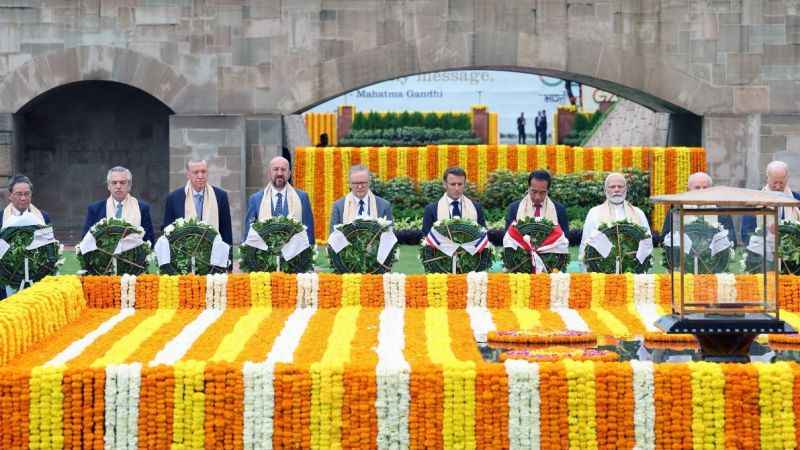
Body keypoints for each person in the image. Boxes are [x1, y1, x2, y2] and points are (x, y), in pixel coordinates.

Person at [244, 156, 315, 243]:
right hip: (265, 254)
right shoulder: (256, 199)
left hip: (294, 254)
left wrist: (308, 254)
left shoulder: (302, 197)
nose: (279, 173)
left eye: (283, 169)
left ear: (289, 173)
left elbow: (309, 232)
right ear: (269, 173)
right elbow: (249, 233)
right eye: (276, 169)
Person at [580, 172, 651, 257]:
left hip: (633, 266)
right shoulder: (594, 213)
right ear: (605, 190)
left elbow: (647, 243)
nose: (616, 190)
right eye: (612, 187)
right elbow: (586, 243)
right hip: (602, 266)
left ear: (626, 189)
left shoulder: (638, 213)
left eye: (620, 186)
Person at [163, 159, 233, 245]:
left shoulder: (220, 196)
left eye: (203, 172)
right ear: (188, 175)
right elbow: (168, 230)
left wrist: (228, 257)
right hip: (183, 253)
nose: (200, 176)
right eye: (196, 172)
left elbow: (226, 231)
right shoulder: (174, 198)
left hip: (213, 252)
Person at [82, 166, 155, 244]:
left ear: (129, 186)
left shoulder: (142, 208)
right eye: (114, 183)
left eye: (122, 182)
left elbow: (149, 240)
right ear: (108, 186)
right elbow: (86, 239)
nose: (118, 186)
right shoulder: (95, 209)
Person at [661, 171, 735, 244]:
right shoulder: (676, 211)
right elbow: (665, 239)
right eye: (697, 187)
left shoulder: (722, 212)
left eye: (705, 188)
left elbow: (732, 240)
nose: (701, 191)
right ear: (688, 190)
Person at [741, 160, 800, 242]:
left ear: (787, 179)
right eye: (775, 182)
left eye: (781, 183)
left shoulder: (796, 199)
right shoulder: (754, 201)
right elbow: (746, 233)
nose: (778, 187)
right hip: (762, 250)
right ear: (767, 179)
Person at [422, 167, 486, 235]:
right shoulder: (431, 209)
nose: (457, 188)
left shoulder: (476, 208)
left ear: (464, 184)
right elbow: (426, 237)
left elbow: (483, 235)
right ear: (444, 184)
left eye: (460, 184)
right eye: (452, 184)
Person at [330, 165, 393, 232]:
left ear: (369, 182)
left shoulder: (384, 205)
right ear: (350, 184)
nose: (360, 186)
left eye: (363, 182)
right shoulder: (339, 206)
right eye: (356, 183)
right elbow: (333, 236)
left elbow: (389, 235)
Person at [505, 169, 569, 234]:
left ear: (548, 190)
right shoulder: (514, 208)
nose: (537, 197)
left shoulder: (559, 209)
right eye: (534, 191)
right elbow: (508, 237)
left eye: (542, 192)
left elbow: (564, 238)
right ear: (528, 188)